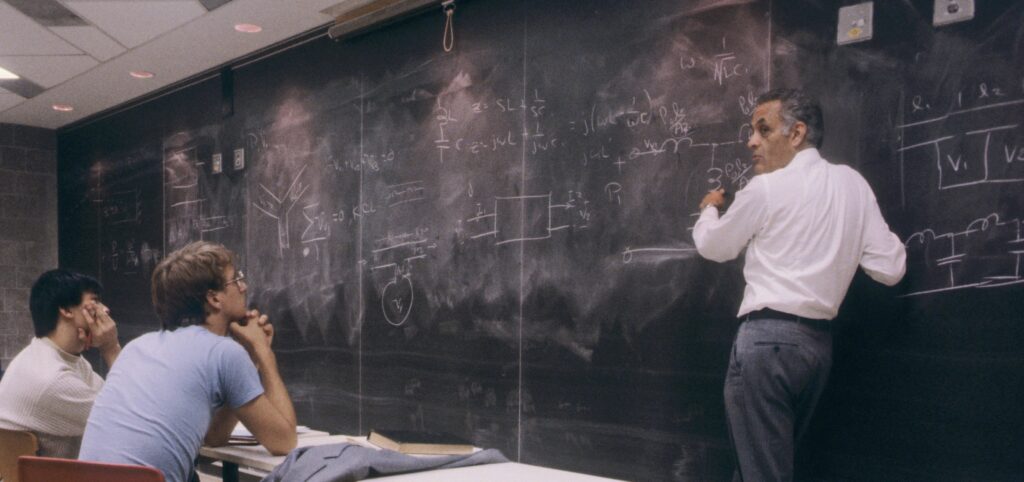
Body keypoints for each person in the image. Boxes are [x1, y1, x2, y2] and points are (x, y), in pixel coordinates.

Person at [693, 88, 906, 481]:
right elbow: (890, 268)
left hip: (765, 344)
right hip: (816, 350)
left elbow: (714, 246)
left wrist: (708, 209)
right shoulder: (853, 186)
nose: (751, 141)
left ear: (796, 134)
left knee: (762, 471)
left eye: (763, 130)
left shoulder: (767, 189)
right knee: (762, 465)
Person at [79, 241, 296, 482]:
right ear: (214, 298)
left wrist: (251, 355)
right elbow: (285, 442)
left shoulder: (137, 346)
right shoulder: (223, 353)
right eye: (236, 280)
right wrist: (264, 351)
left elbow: (214, 437)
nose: (244, 287)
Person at [0, 269, 120, 458]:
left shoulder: (61, 357)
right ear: (65, 309)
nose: (104, 310)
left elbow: (117, 401)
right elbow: (128, 417)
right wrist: (110, 348)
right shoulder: (51, 377)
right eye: (95, 301)